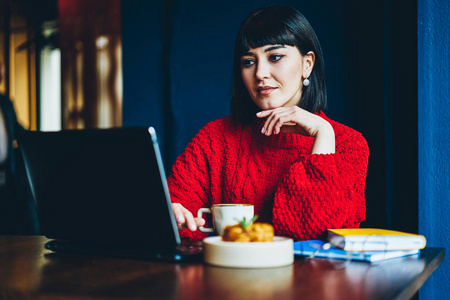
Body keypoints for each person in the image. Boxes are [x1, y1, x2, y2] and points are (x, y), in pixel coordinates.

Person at [168, 5, 369, 241]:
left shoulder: (348, 144)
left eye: (275, 57)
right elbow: (174, 212)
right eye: (248, 62)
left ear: (308, 64)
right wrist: (173, 216)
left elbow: (313, 234)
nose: (260, 73)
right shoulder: (214, 138)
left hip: (310, 278)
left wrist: (323, 133)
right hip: (229, 276)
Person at [0, 62, 39, 235]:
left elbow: (18, 131)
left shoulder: (5, 103)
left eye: (2, 67)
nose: (2, 71)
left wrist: (42, 140)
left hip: (7, 174)